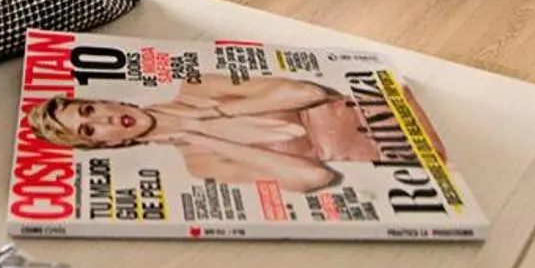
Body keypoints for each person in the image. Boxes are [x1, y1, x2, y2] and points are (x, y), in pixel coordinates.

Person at [24, 74, 377, 193]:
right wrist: (206, 137)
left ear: (100, 101)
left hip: (377, 107)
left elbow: (310, 93)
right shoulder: (201, 162)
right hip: (387, 158)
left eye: (89, 111)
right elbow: (314, 176)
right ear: (101, 145)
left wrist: (219, 111)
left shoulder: (197, 87)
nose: (106, 121)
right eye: (90, 131)